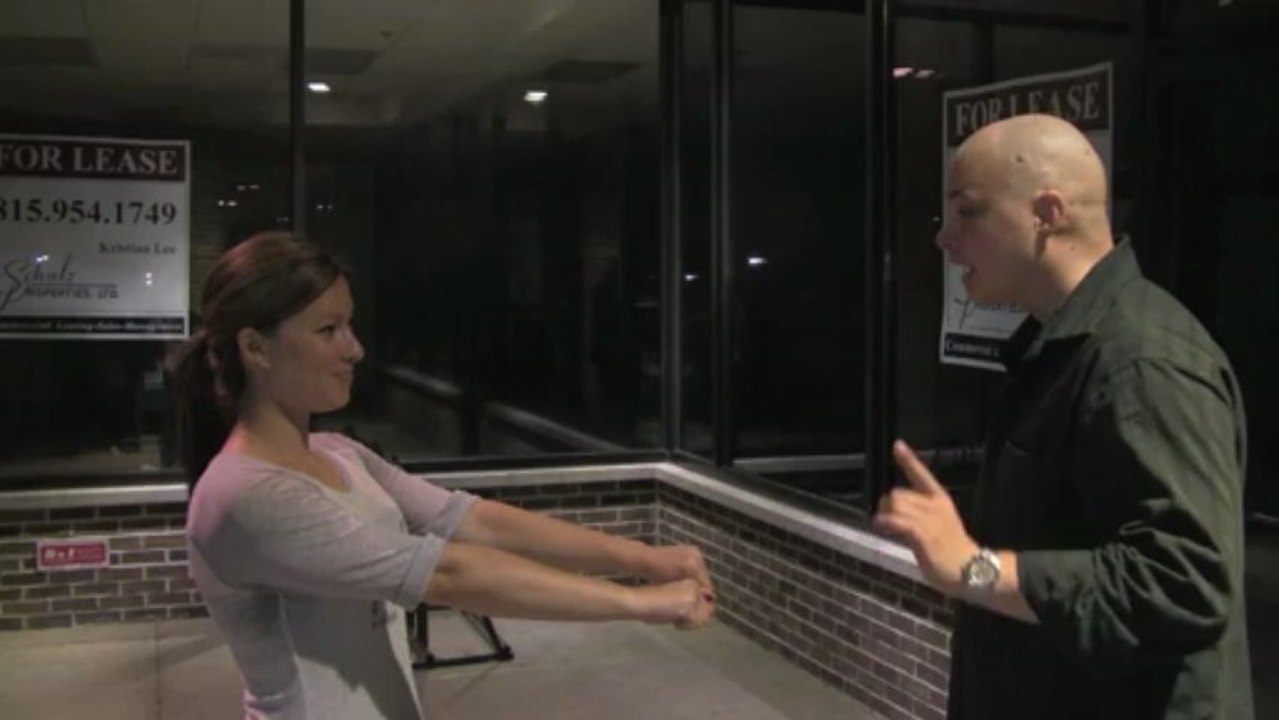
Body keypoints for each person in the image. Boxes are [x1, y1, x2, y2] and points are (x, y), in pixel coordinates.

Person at [172, 232, 716, 720]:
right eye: (327, 330)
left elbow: (473, 522)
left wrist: (645, 559)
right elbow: (448, 573)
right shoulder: (246, 494)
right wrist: (638, 604)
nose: (354, 348)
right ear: (255, 348)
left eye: (349, 325)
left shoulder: (339, 453)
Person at [874, 114, 1252, 719]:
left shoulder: (1143, 360)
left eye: (966, 212)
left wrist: (975, 568)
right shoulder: (1060, 348)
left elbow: (1184, 582)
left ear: (1047, 215)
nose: (944, 239)